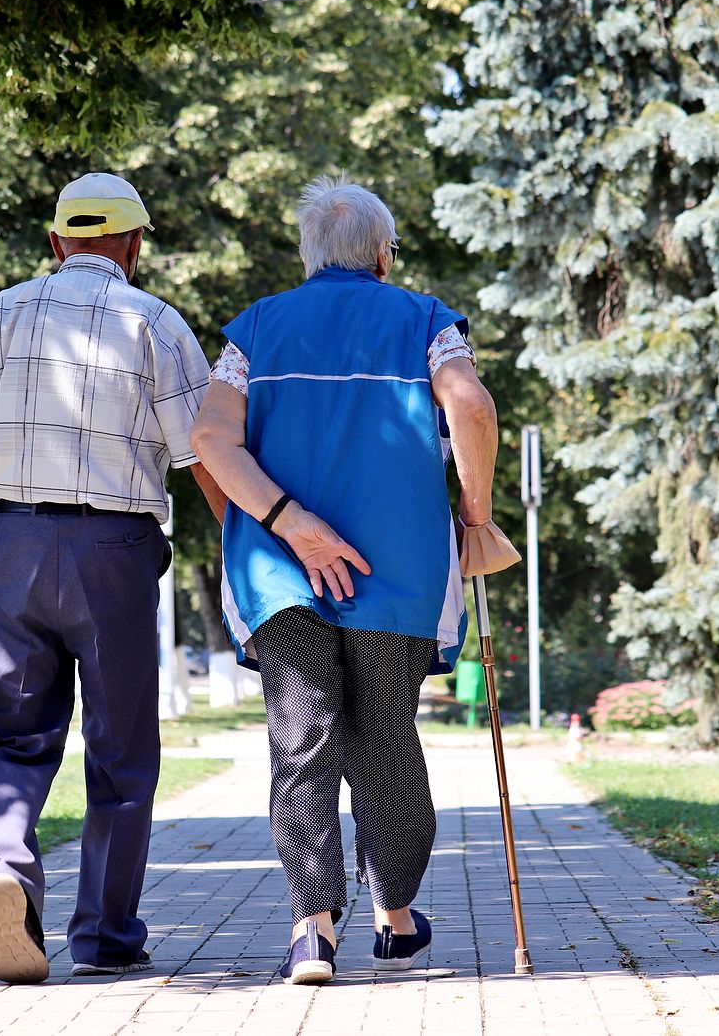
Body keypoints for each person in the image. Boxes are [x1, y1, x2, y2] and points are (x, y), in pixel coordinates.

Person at [0, 172, 226, 985]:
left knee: (14, 731)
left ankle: (4, 862)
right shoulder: (156, 322)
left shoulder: (3, 312)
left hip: (13, 546)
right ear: (134, 246)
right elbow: (206, 456)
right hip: (114, 552)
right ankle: (107, 939)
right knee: (120, 750)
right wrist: (247, 548)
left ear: (54, 245)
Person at [190, 176, 512, 985]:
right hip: (395, 568)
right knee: (384, 737)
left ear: (307, 258)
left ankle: (311, 931)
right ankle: (396, 914)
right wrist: (475, 512)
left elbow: (209, 440)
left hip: (279, 569)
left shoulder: (254, 330)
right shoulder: (425, 320)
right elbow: (470, 405)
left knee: (302, 740)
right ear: (381, 253)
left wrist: (289, 521)